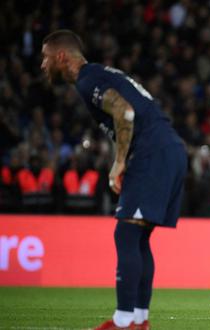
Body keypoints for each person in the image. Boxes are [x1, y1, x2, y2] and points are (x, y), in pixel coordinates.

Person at [41, 30, 187, 330]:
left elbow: (125, 112)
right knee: (138, 238)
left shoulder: (87, 79)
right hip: (170, 150)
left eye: (45, 58)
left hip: (151, 154)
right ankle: (139, 320)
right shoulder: (101, 74)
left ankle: (123, 322)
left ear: (60, 57)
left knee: (126, 235)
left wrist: (119, 162)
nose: (43, 66)